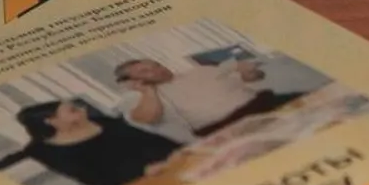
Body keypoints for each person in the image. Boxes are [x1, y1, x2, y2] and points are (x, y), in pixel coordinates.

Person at [6, 99, 180, 185]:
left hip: (174, 165)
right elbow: (91, 178)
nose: (83, 110)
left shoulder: (102, 122)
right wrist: (144, 171)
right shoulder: (41, 151)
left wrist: (176, 153)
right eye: (73, 110)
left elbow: (151, 141)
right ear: (51, 121)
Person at [115, 55, 303, 143]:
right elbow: (148, 117)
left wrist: (250, 72)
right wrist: (147, 89)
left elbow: (254, 77)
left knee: (306, 98)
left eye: (156, 64)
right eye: (145, 71)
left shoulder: (199, 71)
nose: (157, 70)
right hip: (227, 126)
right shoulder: (137, 98)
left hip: (263, 102)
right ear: (132, 81)